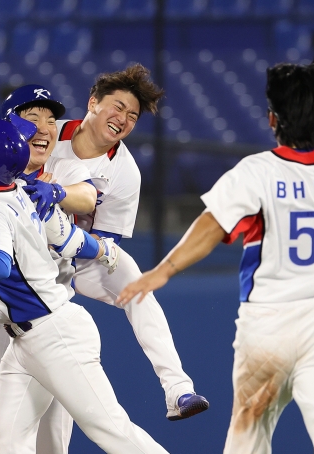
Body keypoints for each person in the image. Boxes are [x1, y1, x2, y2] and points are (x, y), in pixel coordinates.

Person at [116, 61, 314, 454]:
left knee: (249, 432)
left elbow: (212, 225)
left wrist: (164, 270)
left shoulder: (258, 171)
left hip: (271, 320)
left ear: (272, 119)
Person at [0, 117, 169, 454]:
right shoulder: (23, 191)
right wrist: (103, 249)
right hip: (29, 339)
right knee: (7, 442)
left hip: (53, 335)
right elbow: (68, 238)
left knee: (112, 430)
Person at [0, 85, 116, 454]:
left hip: (50, 314)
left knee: (55, 441)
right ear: (12, 129)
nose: (44, 128)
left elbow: (86, 202)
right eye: (33, 119)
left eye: (51, 119)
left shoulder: (61, 167)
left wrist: (57, 194)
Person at [51, 63, 209, 420]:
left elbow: (105, 245)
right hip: (21, 249)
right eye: (118, 107)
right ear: (93, 102)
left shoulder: (125, 172)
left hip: (75, 257)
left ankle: (178, 388)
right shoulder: (50, 132)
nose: (123, 119)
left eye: (133, 116)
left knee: (136, 283)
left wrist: (64, 241)